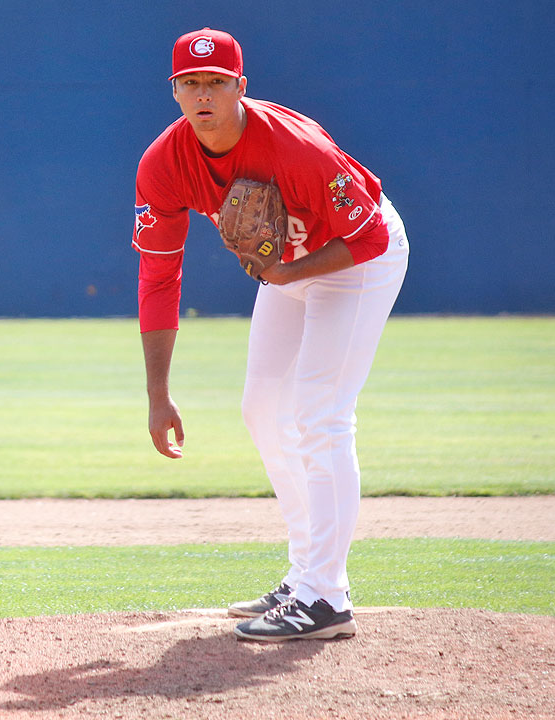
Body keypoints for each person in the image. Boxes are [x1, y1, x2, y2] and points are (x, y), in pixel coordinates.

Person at [132, 27, 409, 641]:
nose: (203, 94)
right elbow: (159, 274)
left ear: (240, 86)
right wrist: (158, 393)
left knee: (320, 411)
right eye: (191, 83)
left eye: (216, 82)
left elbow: (371, 239)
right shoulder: (164, 164)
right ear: (175, 91)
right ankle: (305, 573)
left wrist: (287, 272)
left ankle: (327, 598)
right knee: (261, 408)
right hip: (289, 265)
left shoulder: (296, 149)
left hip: (356, 260)